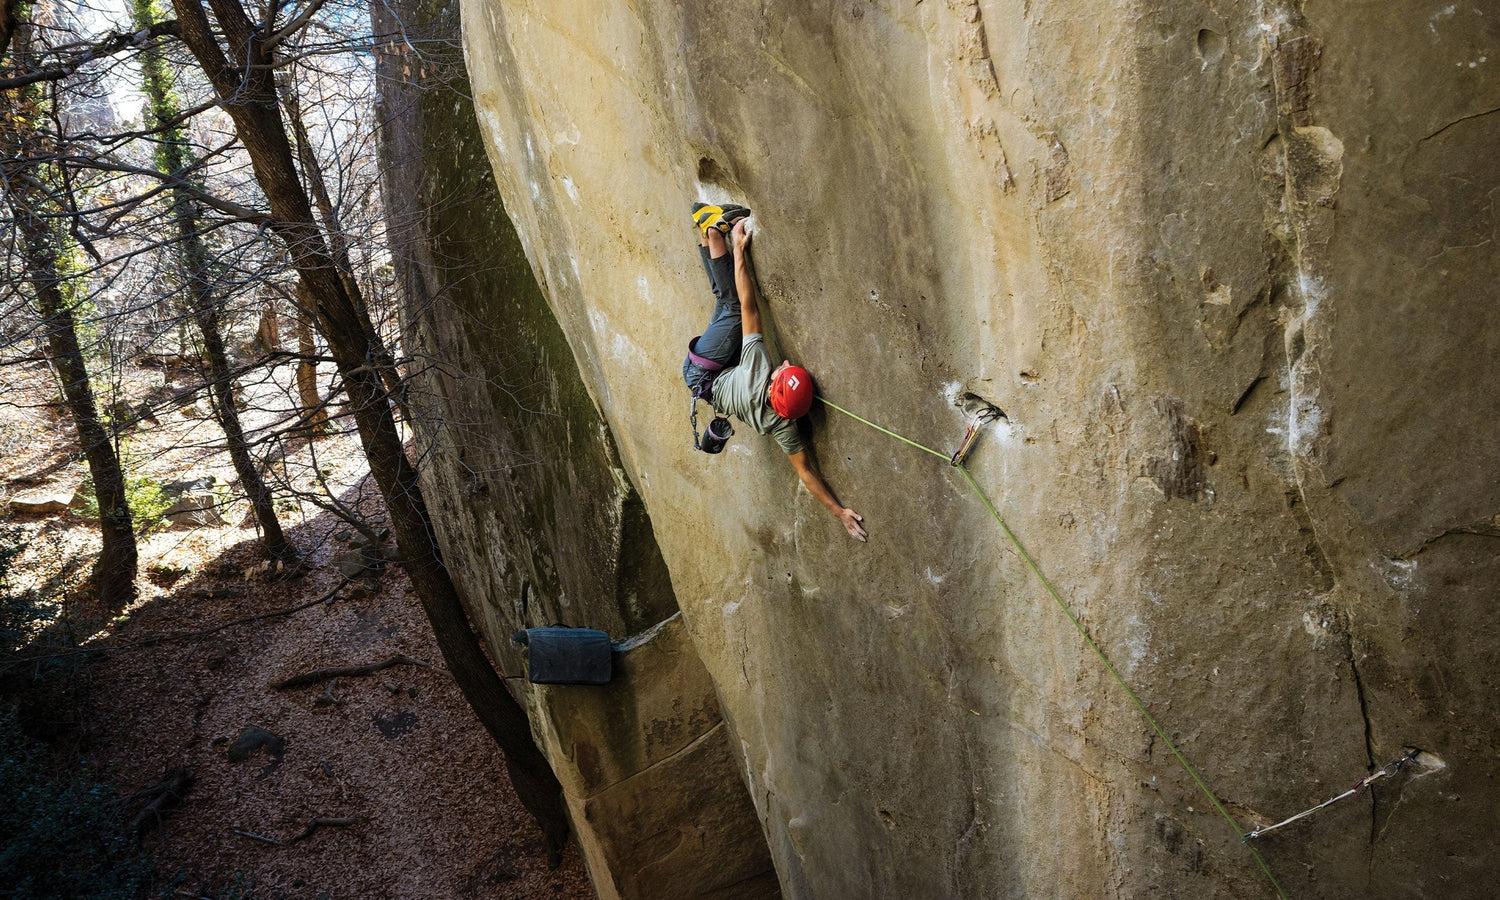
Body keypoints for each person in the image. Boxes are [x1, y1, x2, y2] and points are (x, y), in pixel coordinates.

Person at [682, 203, 867, 541]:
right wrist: (839, 512)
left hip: (704, 369)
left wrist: (740, 250)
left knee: (731, 307)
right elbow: (806, 473)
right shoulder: (782, 426)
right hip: (717, 377)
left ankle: (714, 232)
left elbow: (747, 303)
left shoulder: (756, 367)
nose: (783, 363)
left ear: (771, 386)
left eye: (781, 370)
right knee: (723, 301)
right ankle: (705, 231)